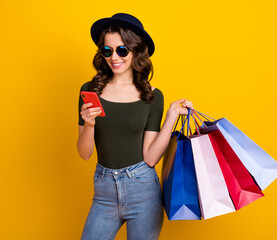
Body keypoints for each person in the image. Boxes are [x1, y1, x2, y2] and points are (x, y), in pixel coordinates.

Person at [77, 13, 193, 240]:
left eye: (122, 50)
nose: (114, 57)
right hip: (104, 191)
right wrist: (89, 124)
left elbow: (150, 158)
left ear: (135, 50)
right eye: (107, 51)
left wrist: (170, 116)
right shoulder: (91, 90)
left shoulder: (151, 96)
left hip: (142, 190)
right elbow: (84, 153)